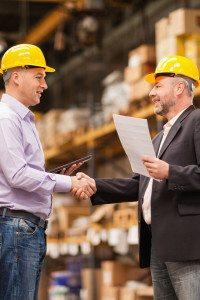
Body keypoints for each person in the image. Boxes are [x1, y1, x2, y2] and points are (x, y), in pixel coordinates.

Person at [73, 55, 200, 299]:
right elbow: (137, 185)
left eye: (158, 86)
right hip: (158, 245)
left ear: (180, 87)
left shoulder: (196, 121)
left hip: (187, 247)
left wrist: (170, 172)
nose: (151, 93)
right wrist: (94, 185)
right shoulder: (158, 138)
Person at [0, 43, 95, 300]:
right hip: (16, 228)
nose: (45, 85)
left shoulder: (23, 119)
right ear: (16, 77)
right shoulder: (6, 118)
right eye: (39, 77)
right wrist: (66, 181)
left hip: (24, 228)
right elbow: (17, 175)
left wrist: (57, 175)